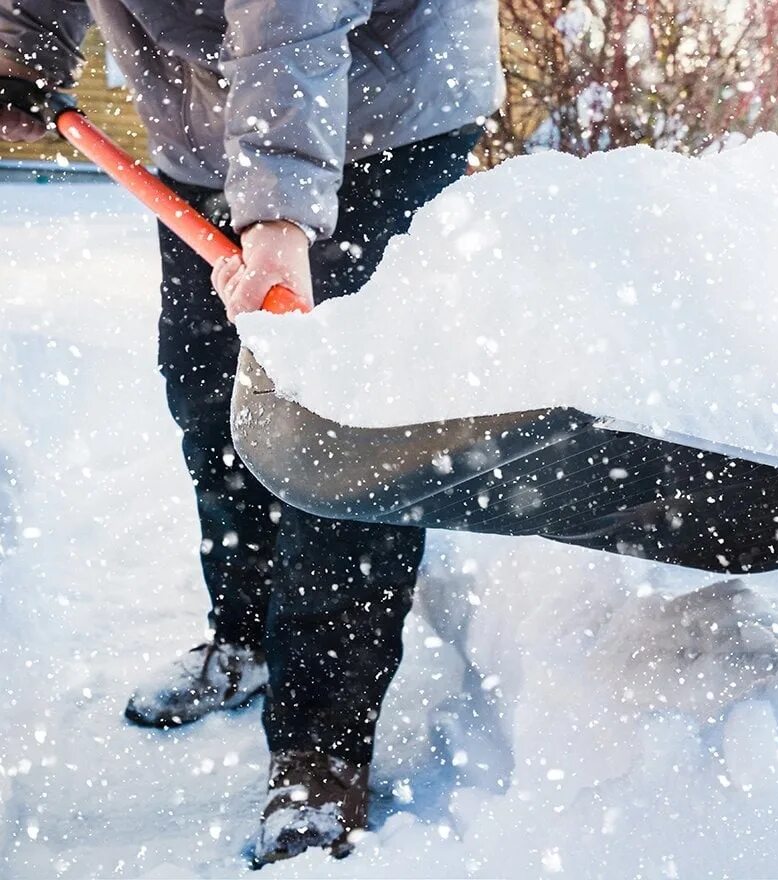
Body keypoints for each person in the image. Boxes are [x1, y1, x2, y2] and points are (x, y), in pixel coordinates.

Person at [0, 0, 501, 864]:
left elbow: (293, 17)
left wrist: (277, 211)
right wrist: (23, 46)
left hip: (380, 111)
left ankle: (321, 745)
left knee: (342, 432)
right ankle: (247, 638)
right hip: (207, 123)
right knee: (209, 392)